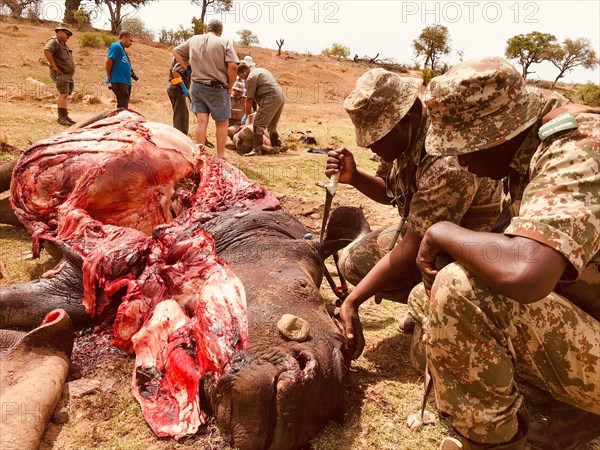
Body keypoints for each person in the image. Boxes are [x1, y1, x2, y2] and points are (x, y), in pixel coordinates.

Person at [410, 57, 599, 449]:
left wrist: (442, 231)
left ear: (503, 129)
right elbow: (508, 240)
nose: (461, 161)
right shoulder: (530, 151)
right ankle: (570, 412)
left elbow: (525, 274)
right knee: (426, 296)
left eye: (465, 147)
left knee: (460, 290)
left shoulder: (579, 145)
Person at [330, 68, 502, 363]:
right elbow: (389, 192)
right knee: (353, 260)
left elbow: (413, 246)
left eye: (376, 137)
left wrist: (353, 302)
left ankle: (434, 306)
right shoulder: (403, 142)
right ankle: (425, 302)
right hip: (427, 241)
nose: (371, 145)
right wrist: (355, 176)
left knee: (425, 359)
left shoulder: (447, 161)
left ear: (404, 121)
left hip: (473, 249)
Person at [173, 19, 238, 159]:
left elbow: (176, 51)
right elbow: (233, 66)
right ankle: (220, 156)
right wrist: (230, 87)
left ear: (207, 28)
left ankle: (200, 155)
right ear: (220, 31)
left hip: (196, 86)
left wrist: (188, 67)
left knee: (201, 121)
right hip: (217, 87)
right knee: (222, 123)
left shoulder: (193, 39)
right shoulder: (224, 42)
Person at [236, 62, 285, 156]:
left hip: (271, 98)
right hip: (280, 97)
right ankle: (277, 146)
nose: (241, 78)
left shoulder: (250, 78)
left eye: (240, 75)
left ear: (245, 71)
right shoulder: (260, 70)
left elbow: (249, 99)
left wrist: (246, 115)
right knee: (272, 125)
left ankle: (256, 149)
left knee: (258, 124)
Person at [43, 25, 76, 126]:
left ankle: (65, 116)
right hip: (60, 73)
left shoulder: (63, 44)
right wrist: (53, 65)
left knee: (65, 95)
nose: (68, 36)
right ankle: (61, 118)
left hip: (67, 74)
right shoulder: (54, 41)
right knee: (63, 94)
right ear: (60, 32)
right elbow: (46, 50)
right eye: (67, 33)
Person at [105, 31, 137, 109]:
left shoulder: (122, 49)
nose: (131, 43)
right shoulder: (116, 46)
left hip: (125, 81)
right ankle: (119, 120)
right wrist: (108, 75)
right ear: (124, 38)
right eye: (130, 40)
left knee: (124, 104)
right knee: (122, 105)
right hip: (119, 81)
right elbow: (109, 61)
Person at [167, 56, 191, 135]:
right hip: (177, 88)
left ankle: (183, 135)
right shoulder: (184, 57)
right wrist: (184, 88)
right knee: (180, 116)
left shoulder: (182, 55)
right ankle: (179, 137)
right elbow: (175, 72)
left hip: (177, 88)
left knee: (184, 114)